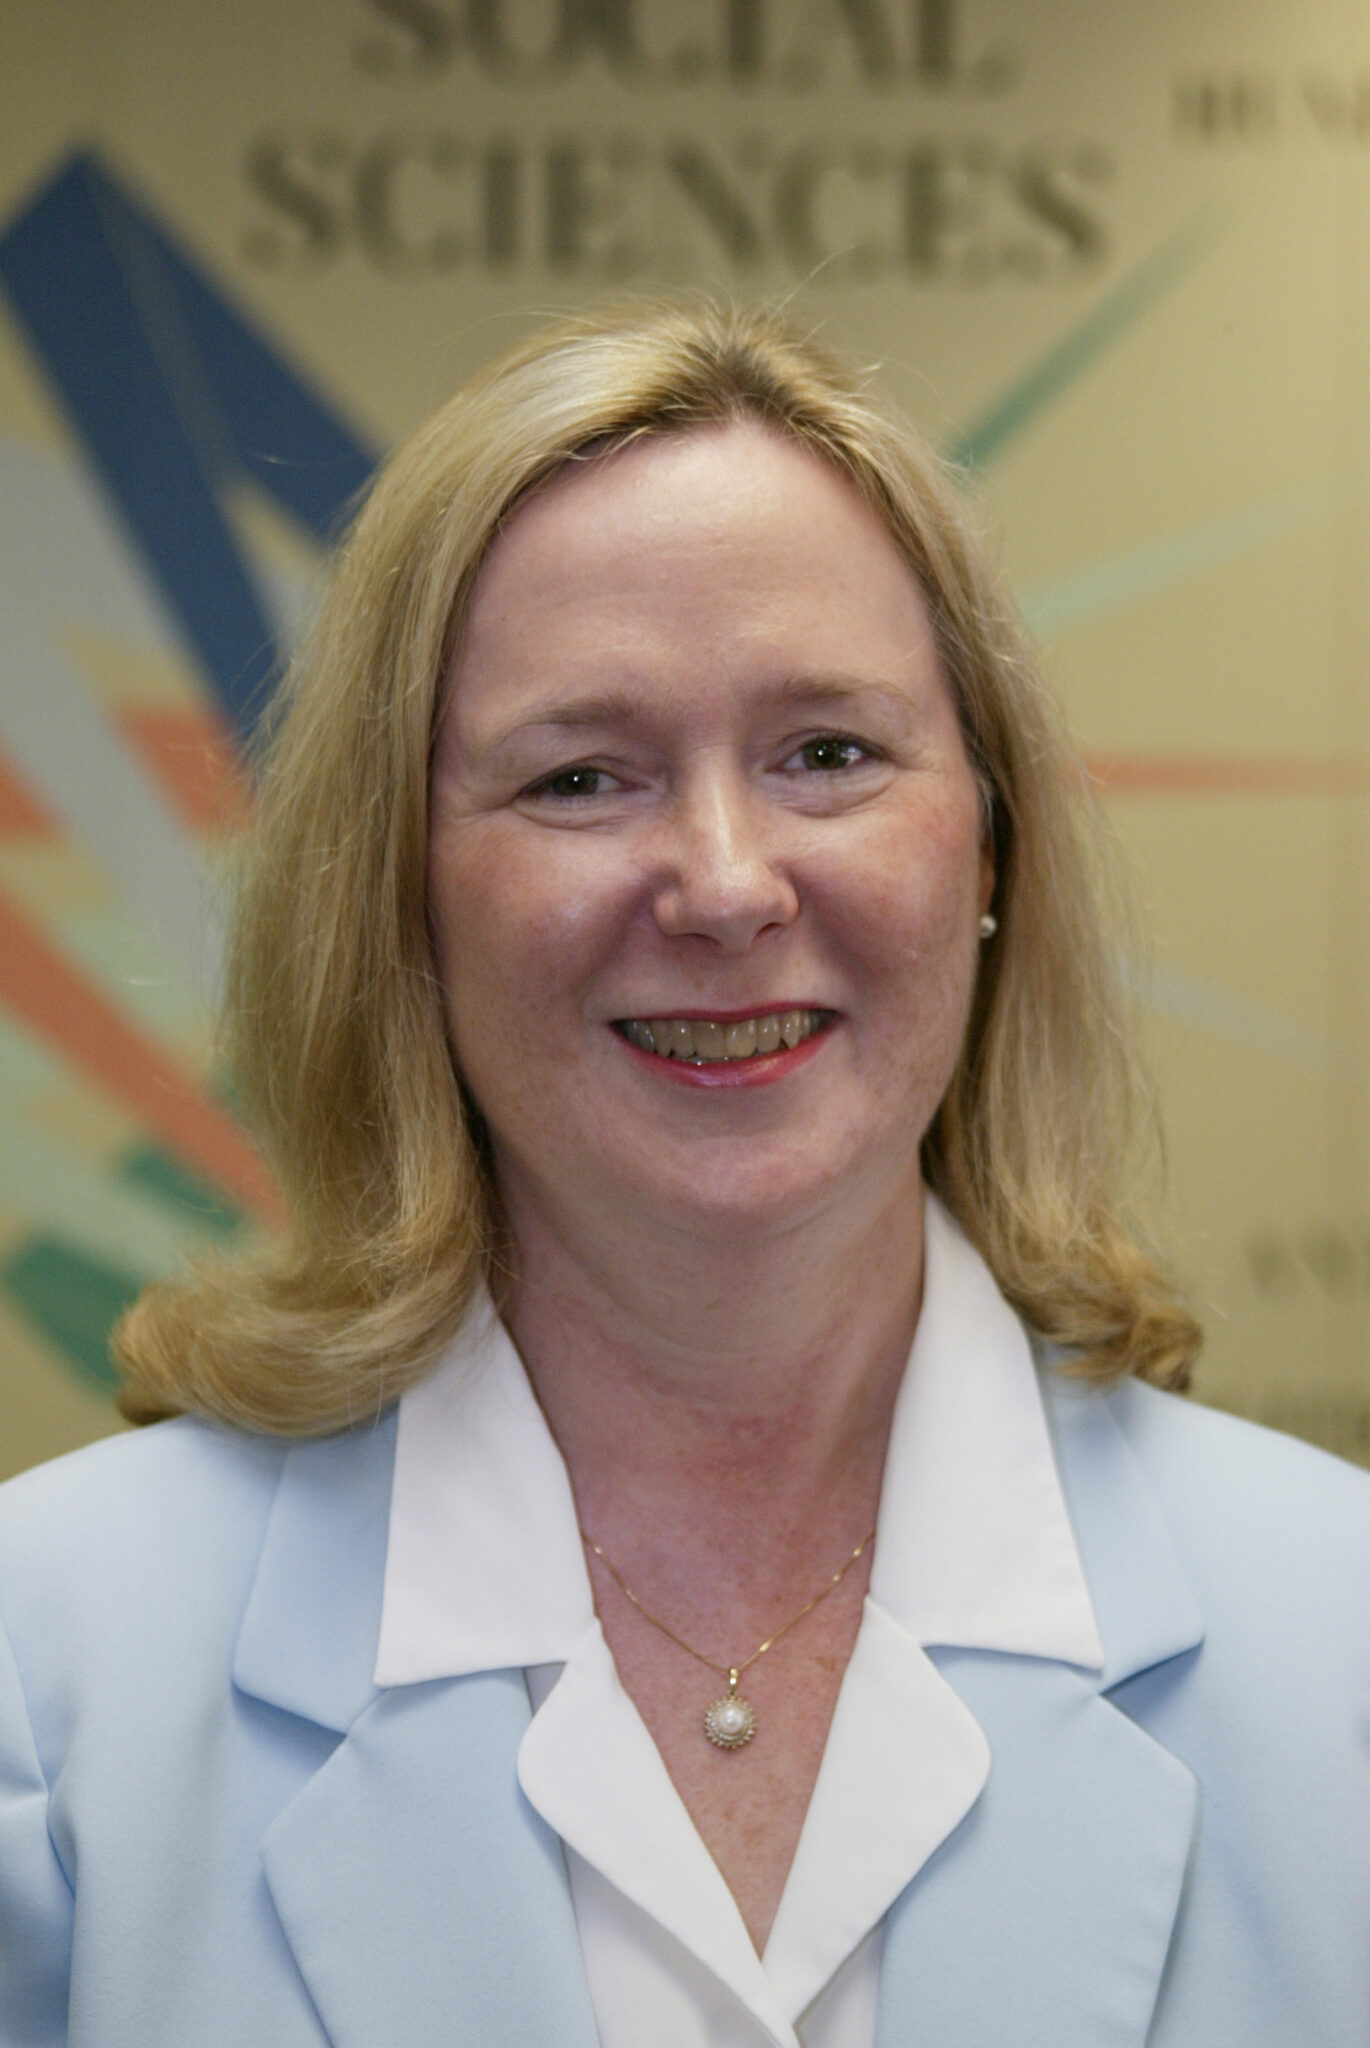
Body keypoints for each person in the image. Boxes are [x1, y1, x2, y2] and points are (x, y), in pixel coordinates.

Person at [1, 300, 1367, 2048]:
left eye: (828, 754)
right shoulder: (49, 1683)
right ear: (399, 896)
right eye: (582, 776)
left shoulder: (1337, 1643)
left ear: (987, 843)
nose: (725, 885)